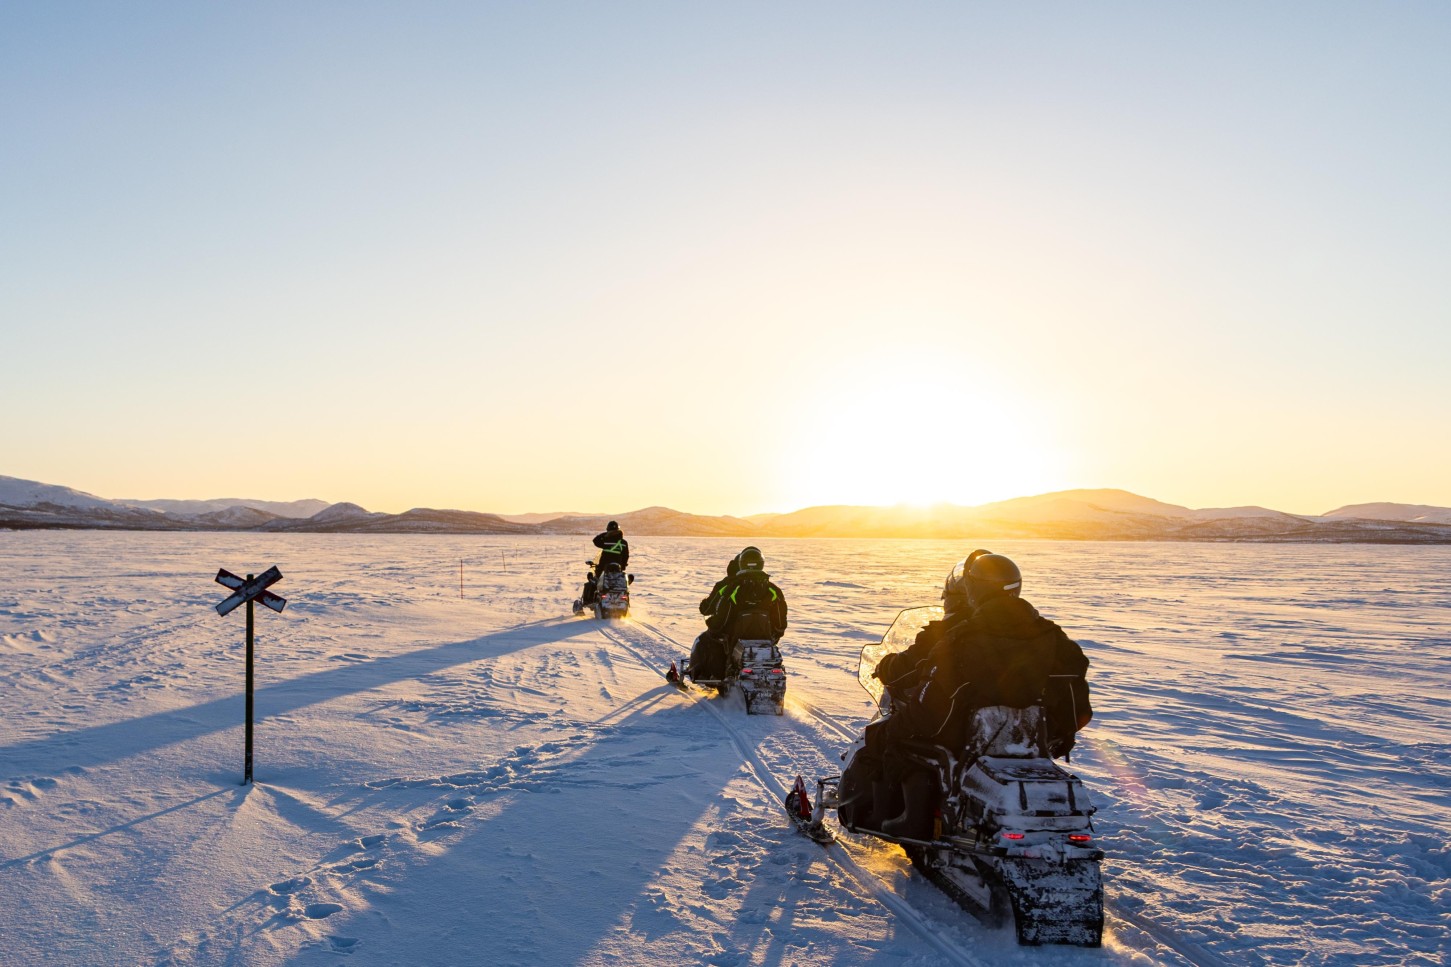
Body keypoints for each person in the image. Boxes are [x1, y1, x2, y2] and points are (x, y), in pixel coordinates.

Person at [871, 552, 1091, 837]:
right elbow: (1076, 701)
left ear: (973, 590)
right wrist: (1055, 736)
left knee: (889, 736)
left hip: (966, 739)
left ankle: (906, 820)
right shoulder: (1057, 639)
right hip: (1030, 741)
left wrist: (902, 726)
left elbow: (933, 708)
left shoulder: (960, 640)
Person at [688, 546, 788, 680]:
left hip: (734, 636)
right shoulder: (773, 589)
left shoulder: (731, 587)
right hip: (765, 637)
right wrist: (776, 633)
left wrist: (713, 626)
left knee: (706, 639)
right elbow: (781, 620)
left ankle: (708, 675)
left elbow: (720, 618)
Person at [576, 521, 630, 613]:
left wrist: (606, 534)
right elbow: (626, 556)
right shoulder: (624, 542)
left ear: (608, 530)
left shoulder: (606, 541)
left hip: (603, 567)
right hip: (618, 569)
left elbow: (595, 540)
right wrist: (623, 566)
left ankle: (589, 600)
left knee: (594, 581)